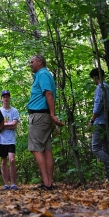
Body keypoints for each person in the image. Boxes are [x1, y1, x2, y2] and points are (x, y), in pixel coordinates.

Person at [26, 55, 63, 190]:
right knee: (46, 149)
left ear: (40, 62)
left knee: (35, 148)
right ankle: (49, 182)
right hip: (44, 116)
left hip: (40, 116)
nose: (30, 64)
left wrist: (52, 115)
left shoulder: (42, 74)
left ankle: (47, 183)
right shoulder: (44, 75)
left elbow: (48, 94)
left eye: (32, 62)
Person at [87, 68, 109, 181]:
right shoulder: (108, 87)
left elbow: (98, 106)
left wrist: (91, 121)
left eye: (93, 78)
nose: (93, 81)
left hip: (101, 121)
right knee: (105, 148)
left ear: (95, 77)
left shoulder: (100, 87)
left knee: (95, 147)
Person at [0, 90, 20, 190]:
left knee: (12, 160)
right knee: (3, 161)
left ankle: (13, 183)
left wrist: (2, 126)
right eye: (4, 97)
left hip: (11, 140)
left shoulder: (14, 111)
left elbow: (14, 125)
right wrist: (7, 125)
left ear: (10, 98)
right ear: (1, 99)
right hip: (1, 140)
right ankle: (6, 184)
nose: (6, 98)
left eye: (7, 96)